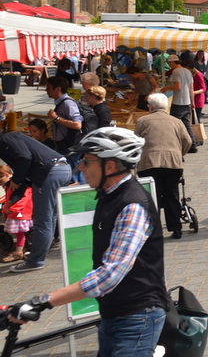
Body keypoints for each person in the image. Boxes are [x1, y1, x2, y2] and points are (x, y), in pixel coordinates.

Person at [10, 128, 169, 356]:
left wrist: (43, 301)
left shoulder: (132, 206)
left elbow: (109, 276)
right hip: (113, 312)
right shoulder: (108, 194)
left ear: (111, 166)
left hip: (137, 316)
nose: (81, 168)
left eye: (86, 161)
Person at [0, 132, 72, 272]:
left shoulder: (6, 140)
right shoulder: (9, 141)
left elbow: (24, 158)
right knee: (50, 218)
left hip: (49, 173)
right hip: (60, 169)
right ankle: (39, 255)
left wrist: (16, 180)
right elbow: (25, 173)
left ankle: (35, 261)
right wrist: (11, 201)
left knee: (43, 220)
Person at [135, 93, 191, 239]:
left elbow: (135, 142)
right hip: (172, 163)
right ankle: (176, 227)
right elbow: (188, 141)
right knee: (172, 195)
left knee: (153, 197)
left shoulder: (142, 121)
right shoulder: (176, 121)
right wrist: (179, 153)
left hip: (149, 163)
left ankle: (154, 229)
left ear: (151, 106)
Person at [46, 75, 84, 181]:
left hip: (70, 146)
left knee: (73, 177)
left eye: (48, 87)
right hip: (64, 145)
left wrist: (56, 118)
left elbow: (77, 124)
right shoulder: (61, 103)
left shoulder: (68, 103)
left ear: (57, 89)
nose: (46, 90)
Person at [160, 54, 196, 149]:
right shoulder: (188, 72)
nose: (169, 65)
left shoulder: (176, 71)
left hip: (178, 102)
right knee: (186, 124)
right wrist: (192, 102)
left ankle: (176, 144)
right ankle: (192, 144)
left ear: (172, 62)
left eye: (169, 63)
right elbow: (191, 89)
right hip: (187, 102)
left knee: (175, 124)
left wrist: (166, 88)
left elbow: (178, 87)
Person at [0, 164, 33, 264]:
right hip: (17, 211)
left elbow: (24, 197)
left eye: (0, 179)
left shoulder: (15, 185)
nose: (0, 183)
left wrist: (12, 209)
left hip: (20, 212)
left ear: (7, 175)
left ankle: (19, 252)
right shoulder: (9, 185)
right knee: (20, 232)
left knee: (20, 232)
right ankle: (21, 249)